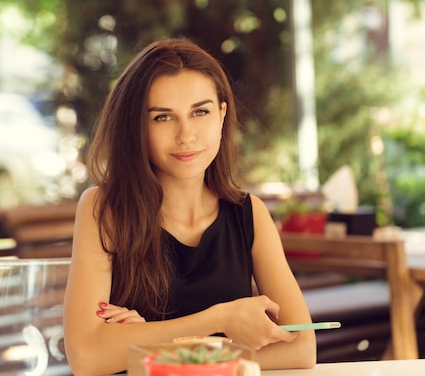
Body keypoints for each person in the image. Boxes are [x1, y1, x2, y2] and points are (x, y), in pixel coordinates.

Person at [63, 38, 316, 376]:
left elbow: (301, 348)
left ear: (222, 115)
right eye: (163, 117)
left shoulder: (249, 214)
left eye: (200, 112)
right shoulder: (104, 209)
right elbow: (87, 357)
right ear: (137, 126)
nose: (186, 135)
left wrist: (143, 343)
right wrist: (220, 321)